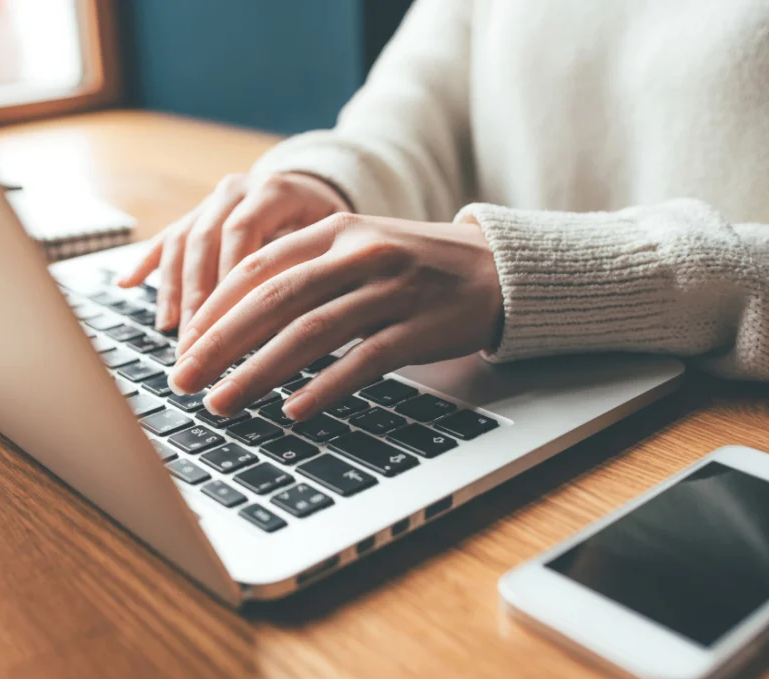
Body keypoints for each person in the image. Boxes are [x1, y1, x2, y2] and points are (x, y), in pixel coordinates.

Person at [118, 0, 769, 421]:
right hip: (510, 388)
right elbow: (418, 108)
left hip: (717, 430)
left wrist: (532, 273)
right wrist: (326, 182)